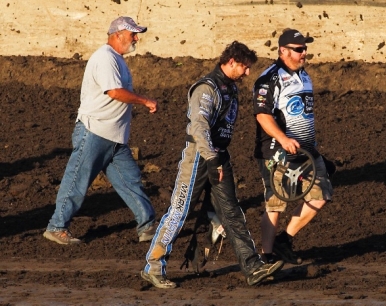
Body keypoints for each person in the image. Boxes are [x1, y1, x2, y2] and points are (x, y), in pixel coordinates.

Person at [141, 41, 284, 289]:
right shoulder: (206, 89)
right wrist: (212, 158)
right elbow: (199, 127)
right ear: (230, 62)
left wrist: (218, 158)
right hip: (199, 157)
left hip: (219, 155)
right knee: (179, 211)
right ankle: (153, 267)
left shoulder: (230, 89)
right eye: (244, 67)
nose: (248, 73)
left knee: (231, 212)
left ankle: (252, 267)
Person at [43, 16, 158, 245]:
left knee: (131, 180)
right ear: (117, 35)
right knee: (77, 179)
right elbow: (114, 91)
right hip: (94, 131)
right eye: (132, 34)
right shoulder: (105, 58)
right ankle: (56, 227)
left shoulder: (118, 60)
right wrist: (144, 101)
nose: (136, 38)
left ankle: (148, 227)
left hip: (114, 137)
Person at [252, 29, 334, 265]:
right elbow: (262, 116)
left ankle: (284, 241)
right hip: (277, 152)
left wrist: (314, 148)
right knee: (275, 204)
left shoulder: (305, 76)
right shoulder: (269, 79)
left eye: (305, 48)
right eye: (299, 50)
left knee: (321, 195)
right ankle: (266, 258)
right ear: (283, 51)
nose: (304, 53)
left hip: (307, 151)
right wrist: (284, 139)